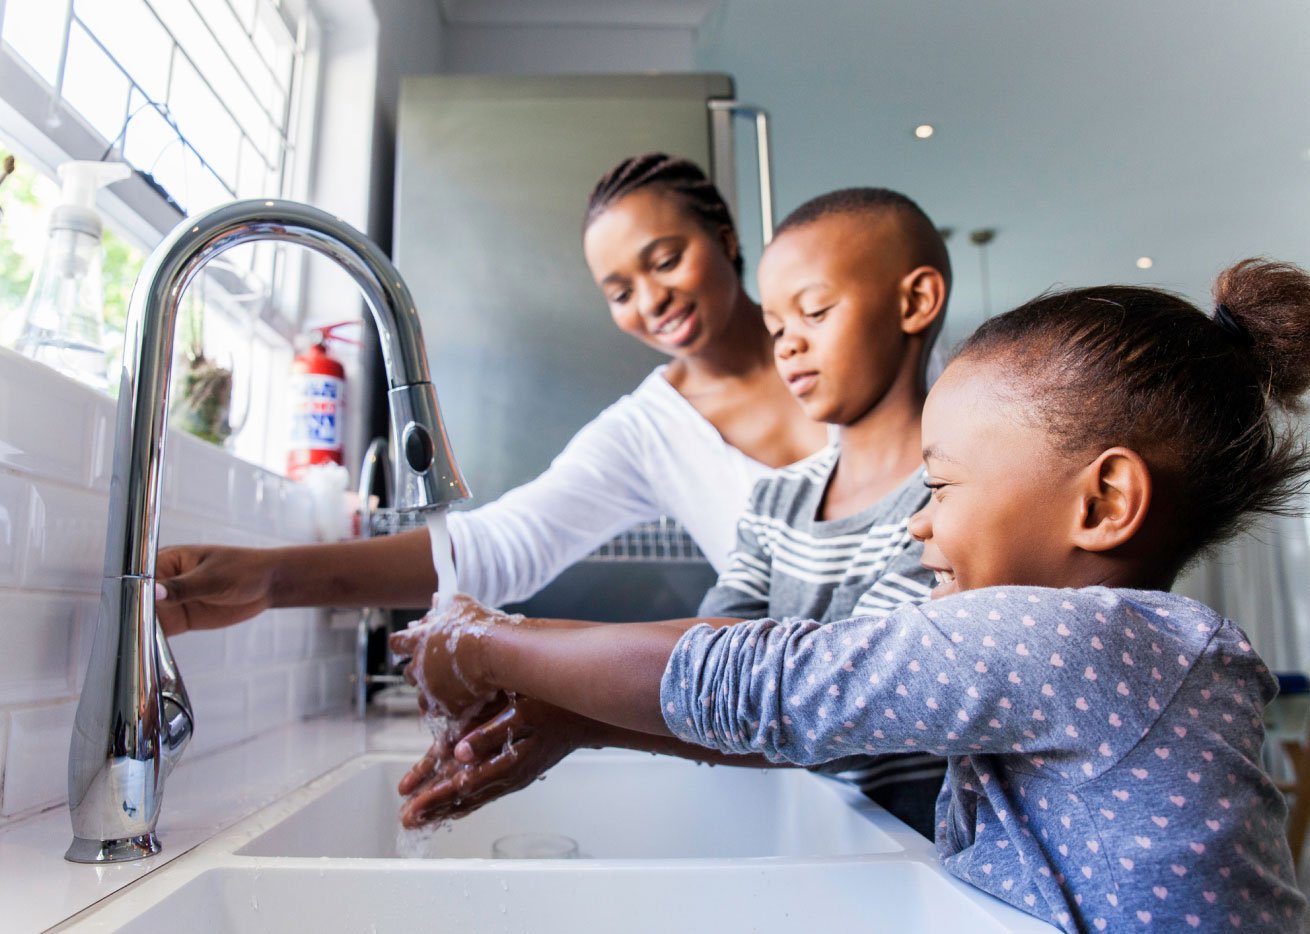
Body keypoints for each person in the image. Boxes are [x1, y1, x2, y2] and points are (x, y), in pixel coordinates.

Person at [392, 259, 1310, 932]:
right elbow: (825, 719)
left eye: (942, 488)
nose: (919, 522)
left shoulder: (1083, 640)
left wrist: (488, 641)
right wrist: (584, 720)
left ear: (1102, 502)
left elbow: (774, 686)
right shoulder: (1099, 653)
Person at [400, 188, 953, 836]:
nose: (789, 346)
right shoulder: (779, 502)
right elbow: (722, 658)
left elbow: (826, 698)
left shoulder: (952, 502)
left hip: (937, 861)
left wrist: (498, 646)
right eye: (777, 327)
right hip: (840, 835)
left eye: (816, 312)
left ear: (915, 302)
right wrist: (575, 716)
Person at [152, 153, 825, 632]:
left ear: (725, 238)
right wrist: (272, 578)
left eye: (667, 260)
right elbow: (501, 546)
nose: (651, 301)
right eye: (619, 292)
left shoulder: (836, 337)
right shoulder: (647, 432)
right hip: (842, 752)